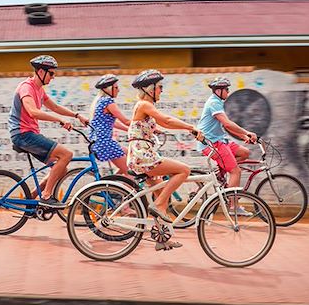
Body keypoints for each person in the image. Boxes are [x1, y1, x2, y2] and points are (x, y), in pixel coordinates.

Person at [127, 69, 203, 251]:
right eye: (160, 87)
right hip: (143, 156)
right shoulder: (144, 104)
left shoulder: (144, 106)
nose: (162, 90)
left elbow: (149, 124)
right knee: (184, 170)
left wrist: (155, 131)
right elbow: (166, 120)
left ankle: (161, 237)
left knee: (160, 190)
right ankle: (159, 206)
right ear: (149, 89)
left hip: (143, 153)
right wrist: (190, 127)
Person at [8, 55, 89, 207]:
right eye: (51, 73)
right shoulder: (27, 87)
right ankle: (46, 196)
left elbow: (55, 107)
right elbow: (32, 111)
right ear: (40, 71)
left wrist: (77, 115)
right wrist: (59, 120)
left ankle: (31, 197)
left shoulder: (39, 90)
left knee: (62, 169)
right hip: (22, 134)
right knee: (67, 154)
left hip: (30, 134)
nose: (53, 77)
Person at [197, 77, 258, 202]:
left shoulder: (218, 103)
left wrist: (244, 136)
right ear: (218, 91)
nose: (228, 92)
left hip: (220, 141)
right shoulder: (214, 103)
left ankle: (221, 174)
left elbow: (226, 126)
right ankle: (233, 206)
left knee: (244, 153)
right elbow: (228, 124)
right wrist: (247, 132)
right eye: (226, 89)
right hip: (211, 144)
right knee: (236, 171)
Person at [88, 74, 132, 176]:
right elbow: (125, 120)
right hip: (105, 144)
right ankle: (125, 189)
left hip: (100, 143)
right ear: (107, 89)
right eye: (116, 87)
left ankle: (114, 184)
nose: (118, 90)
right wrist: (144, 128)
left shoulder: (99, 101)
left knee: (131, 154)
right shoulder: (108, 101)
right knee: (131, 173)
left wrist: (129, 130)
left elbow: (112, 123)